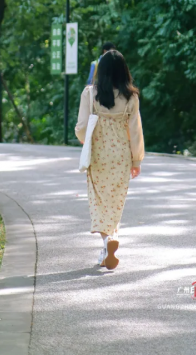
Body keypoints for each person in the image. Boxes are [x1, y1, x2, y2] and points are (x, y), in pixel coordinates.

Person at [75, 44, 144, 270]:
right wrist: (136, 160)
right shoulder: (131, 98)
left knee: (99, 202)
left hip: (98, 155)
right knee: (115, 203)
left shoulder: (90, 94)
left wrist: (86, 142)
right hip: (121, 156)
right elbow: (135, 131)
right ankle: (107, 249)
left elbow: (82, 127)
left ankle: (107, 241)